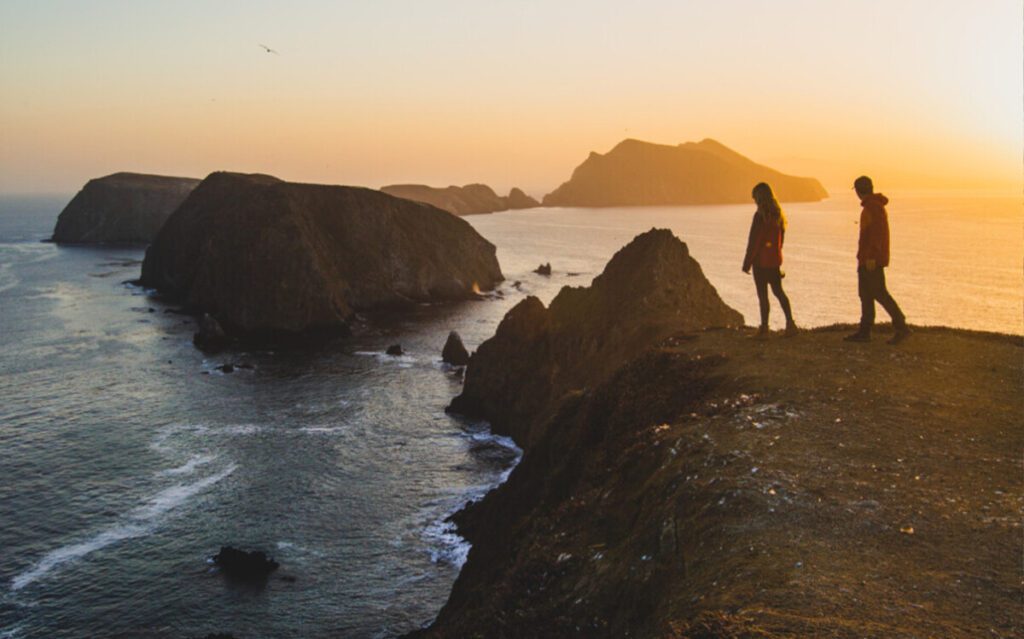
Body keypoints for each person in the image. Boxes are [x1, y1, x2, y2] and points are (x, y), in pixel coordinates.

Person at [844, 175, 910, 344]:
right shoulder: (873, 206)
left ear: (858, 191)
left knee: (879, 293)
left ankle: (901, 326)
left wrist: (871, 256)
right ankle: (865, 331)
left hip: (870, 259)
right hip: (867, 258)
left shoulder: (872, 207)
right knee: (866, 294)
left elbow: (876, 234)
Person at [743, 182, 797, 338]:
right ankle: (790, 324)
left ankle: (765, 328)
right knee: (779, 292)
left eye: (754, 197)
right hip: (773, 261)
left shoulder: (760, 216)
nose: (754, 201)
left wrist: (747, 263)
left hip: (760, 262)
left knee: (763, 295)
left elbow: (754, 241)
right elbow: (781, 241)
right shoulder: (778, 215)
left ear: (759, 197)